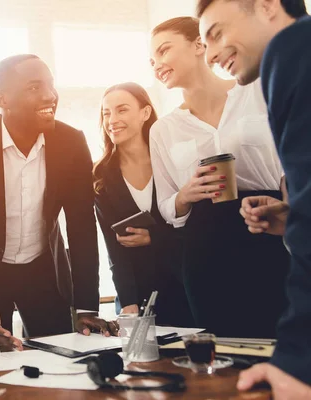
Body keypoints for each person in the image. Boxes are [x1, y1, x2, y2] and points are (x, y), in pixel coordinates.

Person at [0, 54, 111, 348]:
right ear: (2, 99)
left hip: (45, 276)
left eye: (50, 85)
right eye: (34, 87)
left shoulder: (72, 143)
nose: (50, 95)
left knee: (59, 367)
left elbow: (82, 226)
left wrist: (86, 307)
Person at [148, 17, 289, 338]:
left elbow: (291, 161)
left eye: (164, 50)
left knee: (284, 342)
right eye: (151, 60)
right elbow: (167, 206)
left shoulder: (257, 90)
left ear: (199, 45)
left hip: (269, 227)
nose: (157, 64)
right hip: (207, 247)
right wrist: (186, 195)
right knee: (223, 349)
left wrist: (290, 207)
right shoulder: (163, 129)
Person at [197, 0, 311, 395]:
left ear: (266, 5)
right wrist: (291, 217)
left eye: (216, 34)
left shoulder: (294, 50)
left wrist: (299, 362)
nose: (209, 54)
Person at [93, 82, 193, 327]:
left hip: (186, 285)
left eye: (122, 110)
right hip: (138, 295)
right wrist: (128, 300)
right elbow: (113, 249)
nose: (112, 120)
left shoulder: (173, 160)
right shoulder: (101, 175)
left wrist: (154, 237)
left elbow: (196, 229)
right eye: (106, 113)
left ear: (145, 113)